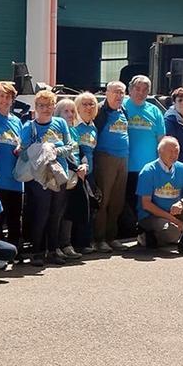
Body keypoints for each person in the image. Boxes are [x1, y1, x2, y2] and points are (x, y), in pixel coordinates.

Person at [20, 89, 76, 266]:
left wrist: (54, 150)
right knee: (41, 213)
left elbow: (70, 146)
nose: (45, 109)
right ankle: (37, 252)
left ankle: (52, 250)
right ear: (36, 107)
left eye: (49, 105)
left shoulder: (60, 123)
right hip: (40, 177)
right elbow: (23, 153)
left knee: (56, 214)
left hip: (59, 175)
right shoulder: (29, 127)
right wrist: (41, 151)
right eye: (41, 106)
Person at [136, 137, 183, 255]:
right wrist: (174, 220)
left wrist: (182, 202)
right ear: (160, 151)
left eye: (176, 151)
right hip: (151, 216)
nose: (174, 155)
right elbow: (146, 204)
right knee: (172, 233)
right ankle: (146, 236)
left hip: (174, 212)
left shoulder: (182, 168)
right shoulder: (148, 171)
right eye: (171, 151)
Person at [123, 77, 167, 243]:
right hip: (126, 166)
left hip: (148, 168)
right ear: (130, 89)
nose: (141, 93)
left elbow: (161, 139)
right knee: (126, 202)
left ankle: (143, 233)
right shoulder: (122, 107)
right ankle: (124, 234)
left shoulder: (155, 111)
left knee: (145, 204)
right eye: (137, 89)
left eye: (145, 90)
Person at [0, 82, 25, 250]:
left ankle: (14, 251)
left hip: (16, 178)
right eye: (1, 96)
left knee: (15, 218)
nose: (5, 100)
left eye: (8, 97)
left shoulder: (17, 121)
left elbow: (22, 142)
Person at [92, 81, 131, 252]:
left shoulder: (124, 111)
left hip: (123, 159)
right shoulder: (100, 111)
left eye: (122, 93)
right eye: (115, 92)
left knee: (117, 201)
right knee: (103, 200)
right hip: (105, 158)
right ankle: (99, 239)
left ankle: (111, 237)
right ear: (106, 93)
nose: (119, 96)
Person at [55, 98, 90, 259]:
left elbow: (79, 151)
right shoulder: (56, 131)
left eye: (72, 111)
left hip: (77, 176)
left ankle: (69, 243)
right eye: (65, 111)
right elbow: (63, 153)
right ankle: (58, 245)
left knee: (73, 211)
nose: (69, 114)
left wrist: (84, 165)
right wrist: (76, 168)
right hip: (64, 176)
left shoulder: (74, 130)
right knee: (60, 211)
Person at [68, 92, 100, 254]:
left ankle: (85, 241)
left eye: (91, 104)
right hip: (77, 172)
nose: (88, 107)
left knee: (90, 209)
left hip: (90, 173)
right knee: (78, 209)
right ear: (77, 107)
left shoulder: (93, 126)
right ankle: (76, 243)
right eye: (84, 104)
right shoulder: (74, 126)